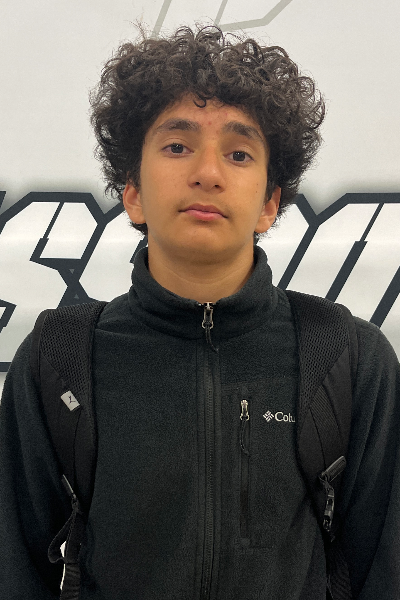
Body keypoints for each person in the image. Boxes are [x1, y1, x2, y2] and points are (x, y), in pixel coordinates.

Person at [1, 24, 399, 600]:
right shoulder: (58, 360)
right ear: (133, 192)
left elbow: (382, 573)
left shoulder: (349, 360)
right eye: (177, 146)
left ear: (269, 204)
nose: (207, 173)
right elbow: (14, 570)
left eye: (238, 154)